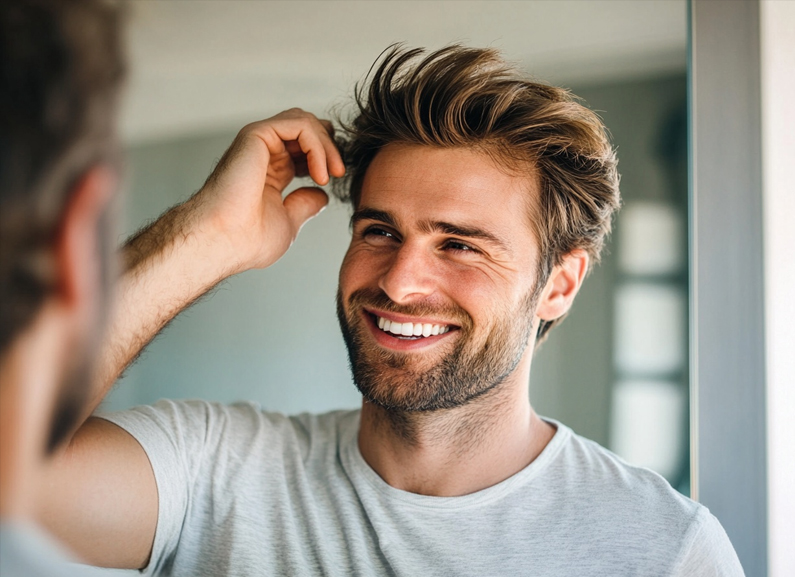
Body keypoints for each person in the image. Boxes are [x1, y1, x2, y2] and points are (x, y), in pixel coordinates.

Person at [38, 43, 745, 575]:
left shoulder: (664, 547)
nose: (400, 283)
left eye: (460, 245)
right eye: (379, 230)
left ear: (558, 285)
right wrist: (202, 238)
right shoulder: (214, 472)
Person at [0, 0, 124, 575]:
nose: (400, 283)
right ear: (73, 243)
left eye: (448, 242)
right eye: (376, 230)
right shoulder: (219, 454)